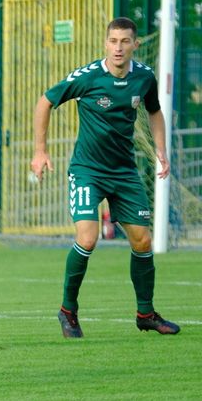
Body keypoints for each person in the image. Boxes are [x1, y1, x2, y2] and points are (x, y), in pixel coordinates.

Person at [30, 17, 180, 338]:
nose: (118, 48)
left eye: (125, 41)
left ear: (135, 45)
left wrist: (161, 149)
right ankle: (68, 311)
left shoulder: (144, 77)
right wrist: (40, 151)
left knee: (142, 241)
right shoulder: (88, 77)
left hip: (124, 172)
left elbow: (154, 111)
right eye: (113, 41)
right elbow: (46, 102)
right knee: (88, 238)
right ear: (105, 43)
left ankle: (146, 314)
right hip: (88, 171)